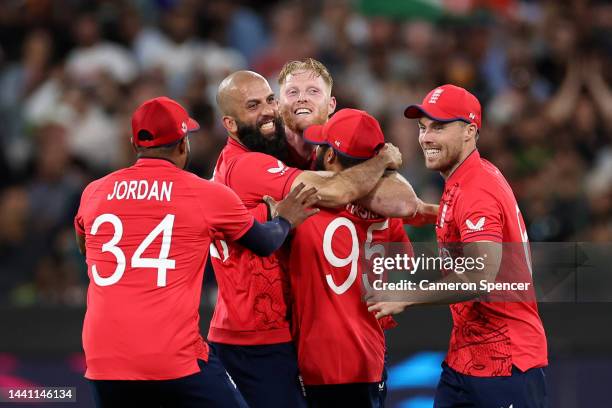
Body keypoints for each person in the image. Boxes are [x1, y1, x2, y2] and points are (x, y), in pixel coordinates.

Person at [74, 96, 318, 408]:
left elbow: (85, 246)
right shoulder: (206, 194)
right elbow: (264, 242)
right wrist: (285, 218)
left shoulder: (94, 191)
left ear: (135, 143)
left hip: (103, 360)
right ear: (182, 144)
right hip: (173, 358)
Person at [208, 70, 412, 408]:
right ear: (229, 123)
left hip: (290, 340)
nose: (268, 110)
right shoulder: (250, 166)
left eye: (270, 100)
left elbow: (402, 204)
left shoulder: (280, 160)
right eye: (253, 105)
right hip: (257, 338)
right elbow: (337, 190)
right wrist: (383, 161)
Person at [368, 84, 548, 408]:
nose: (426, 138)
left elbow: (480, 277)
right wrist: (430, 213)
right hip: (466, 359)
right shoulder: (469, 178)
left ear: (469, 131)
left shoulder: (476, 189)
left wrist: (406, 296)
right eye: (423, 128)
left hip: (504, 364)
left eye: (439, 126)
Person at [278, 108, 413, 407]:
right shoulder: (389, 213)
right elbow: (405, 262)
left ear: (329, 157)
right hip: (369, 355)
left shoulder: (308, 205)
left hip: (319, 358)